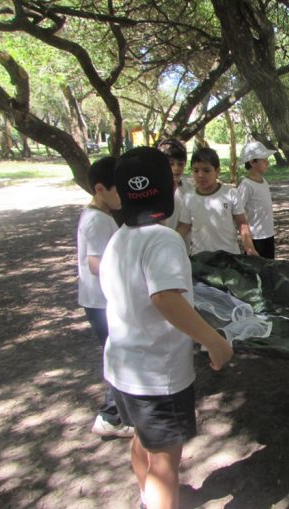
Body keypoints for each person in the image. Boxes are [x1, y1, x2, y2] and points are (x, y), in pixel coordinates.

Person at [100, 146, 234, 509]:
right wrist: (214, 341)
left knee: (144, 440)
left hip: (123, 369)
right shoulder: (163, 239)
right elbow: (165, 298)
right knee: (165, 462)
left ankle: (147, 498)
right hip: (156, 376)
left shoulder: (120, 238)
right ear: (168, 189)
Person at [76, 156, 134, 438]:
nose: (123, 196)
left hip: (101, 300)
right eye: (118, 190)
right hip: (102, 302)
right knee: (118, 356)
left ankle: (118, 413)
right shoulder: (97, 220)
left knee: (119, 355)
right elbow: (96, 264)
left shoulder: (99, 214)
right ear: (100, 189)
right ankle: (110, 416)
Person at [176, 147, 259, 256]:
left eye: (206, 170)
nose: (200, 175)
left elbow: (241, 222)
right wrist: (169, 242)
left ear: (217, 171)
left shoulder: (230, 193)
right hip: (201, 258)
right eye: (196, 170)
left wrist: (249, 247)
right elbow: (184, 226)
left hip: (229, 256)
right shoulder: (189, 197)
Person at [237, 141, 277, 259]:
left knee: (269, 267)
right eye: (264, 160)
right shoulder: (246, 185)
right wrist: (247, 242)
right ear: (252, 162)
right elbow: (238, 212)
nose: (267, 163)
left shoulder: (264, 181)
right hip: (255, 238)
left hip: (268, 234)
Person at [157, 138, 192, 251]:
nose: (176, 168)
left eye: (180, 164)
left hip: (181, 248)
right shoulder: (154, 191)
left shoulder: (188, 189)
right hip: (158, 247)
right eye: (171, 164)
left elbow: (187, 223)